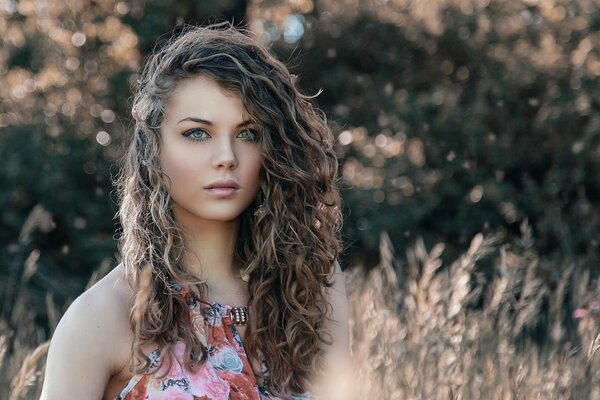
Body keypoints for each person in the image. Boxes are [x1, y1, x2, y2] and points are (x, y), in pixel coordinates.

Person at [40, 21, 352, 399]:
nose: (226, 158)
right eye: (197, 133)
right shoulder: (103, 317)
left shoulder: (310, 290)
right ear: (154, 148)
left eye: (247, 134)